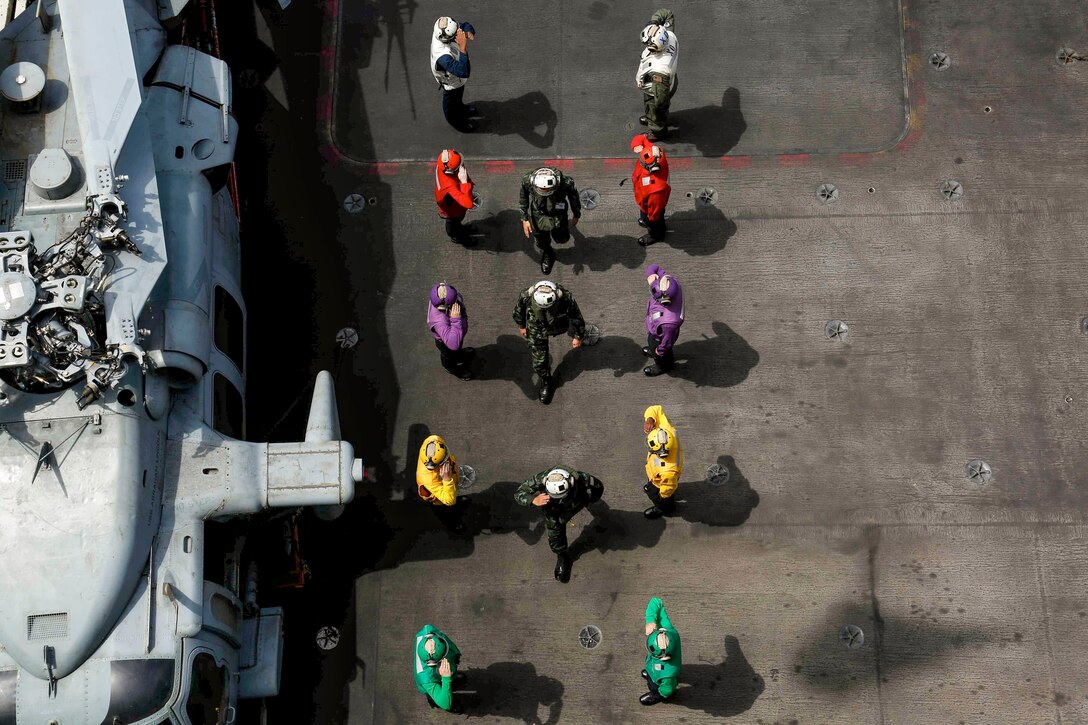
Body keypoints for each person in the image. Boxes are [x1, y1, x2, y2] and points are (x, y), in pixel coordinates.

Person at [514, 466, 604, 582]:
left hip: (577, 502)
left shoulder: (581, 478)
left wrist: (593, 499)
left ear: (571, 482)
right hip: (555, 513)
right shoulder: (540, 479)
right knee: (555, 536)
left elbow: (598, 486)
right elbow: (519, 493)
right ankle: (562, 555)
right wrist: (532, 499)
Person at [512, 280, 585, 404]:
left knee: (572, 326)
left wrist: (578, 336)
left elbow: (576, 316)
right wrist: (522, 326)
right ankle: (546, 380)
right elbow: (518, 310)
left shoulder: (565, 298)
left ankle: (576, 333)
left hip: (558, 324)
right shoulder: (526, 295)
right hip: (536, 328)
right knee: (539, 362)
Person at [518, 167, 582, 274]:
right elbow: (523, 196)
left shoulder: (566, 183)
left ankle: (559, 234)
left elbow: (574, 197)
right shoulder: (527, 181)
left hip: (558, 214)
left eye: (548, 190)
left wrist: (576, 214)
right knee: (541, 240)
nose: (544, 192)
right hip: (539, 214)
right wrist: (524, 218)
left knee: (562, 238)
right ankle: (548, 253)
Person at [635, 9, 679, 141]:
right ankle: (653, 118)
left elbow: (660, 100)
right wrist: (654, 23)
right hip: (670, 80)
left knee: (655, 106)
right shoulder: (669, 36)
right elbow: (666, 14)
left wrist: (656, 115)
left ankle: (657, 130)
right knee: (657, 106)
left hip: (658, 87)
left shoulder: (660, 69)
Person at [430, 17, 478, 132]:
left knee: (458, 97)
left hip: (458, 81)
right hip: (450, 82)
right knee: (451, 103)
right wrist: (462, 47)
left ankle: (462, 109)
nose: (458, 32)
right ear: (447, 39)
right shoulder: (442, 57)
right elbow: (463, 71)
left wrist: (468, 31)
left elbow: (464, 25)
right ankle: (457, 123)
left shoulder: (443, 29)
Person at [416, 434, 466, 532]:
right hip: (440, 501)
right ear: (437, 465)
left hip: (448, 488)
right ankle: (454, 525)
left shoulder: (433, 440)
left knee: (454, 500)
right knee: (447, 513)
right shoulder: (428, 479)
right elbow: (449, 500)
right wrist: (447, 480)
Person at [642, 405, 683, 519]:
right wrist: (650, 419)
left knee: (658, 494)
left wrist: (663, 495)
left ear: (661, 454)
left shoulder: (668, 471)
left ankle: (664, 508)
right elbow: (656, 409)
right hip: (659, 474)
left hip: (660, 482)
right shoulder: (666, 430)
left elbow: (668, 487)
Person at [643, 264, 684, 377]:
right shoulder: (670, 283)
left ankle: (664, 365)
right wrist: (651, 275)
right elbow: (654, 267)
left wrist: (659, 351)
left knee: (664, 351)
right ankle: (657, 352)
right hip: (656, 325)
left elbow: (667, 341)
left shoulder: (669, 323)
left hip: (659, 337)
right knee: (655, 345)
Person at [414, 624, 465, 713]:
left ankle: (452, 679)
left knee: (451, 677)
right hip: (431, 682)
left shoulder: (428, 630)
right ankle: (448, 704)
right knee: (439, 699)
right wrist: (446, 678)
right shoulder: (425, 677)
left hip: (435, 673)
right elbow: (445, 703)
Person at [428, 282, 474, 381]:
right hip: (446, 343)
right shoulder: (439, 321)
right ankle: (453, 369)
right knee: (450, 356)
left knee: (457, 352)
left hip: (455, 333)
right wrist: (456, 319)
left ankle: (459, 355)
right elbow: (453, 344)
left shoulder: (437, 298)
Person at [631, 135, 671, 246]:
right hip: (643, 198)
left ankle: (656, 235)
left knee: (655, 223)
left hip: (650, 209)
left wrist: (651, 218)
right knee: (647, 216)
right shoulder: (655, 153)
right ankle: (647, 221)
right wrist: (637, 144)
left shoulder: (656, 190)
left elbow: (654, 210)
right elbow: (641, 139)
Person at [641, 597, 682, 705]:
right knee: (651, 669)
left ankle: (656, 694)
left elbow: (668, 688)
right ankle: (650, 672)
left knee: (654, 685)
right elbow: (656, 601)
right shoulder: (669, 631)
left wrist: (661, 694)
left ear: (663, 658)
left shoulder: (667, 674)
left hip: (660, 675)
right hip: (656, 667)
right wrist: (650, 621)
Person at [434, 149, 476, 246]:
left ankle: (460, 230)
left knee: (457, 223)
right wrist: (464, 182)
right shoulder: (449, 187)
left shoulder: (442, 165)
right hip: (453, 209)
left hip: (450, 202)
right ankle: (459, 238)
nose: (462, 166)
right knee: (454, 222)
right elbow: (469, 203)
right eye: (460, 165)